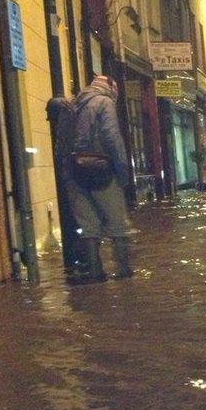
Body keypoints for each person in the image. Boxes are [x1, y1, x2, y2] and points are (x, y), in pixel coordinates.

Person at [61, 75, 133, 282]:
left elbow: (62, 143)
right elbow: (112, 137)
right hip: (101, 170)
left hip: (74, 172)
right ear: (111, 87)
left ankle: (94, 273)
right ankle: (123, 273)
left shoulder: (72, 105)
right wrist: (122, 174)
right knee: (118, 224)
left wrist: (67, 172)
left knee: (88, 226)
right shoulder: (105, 102)